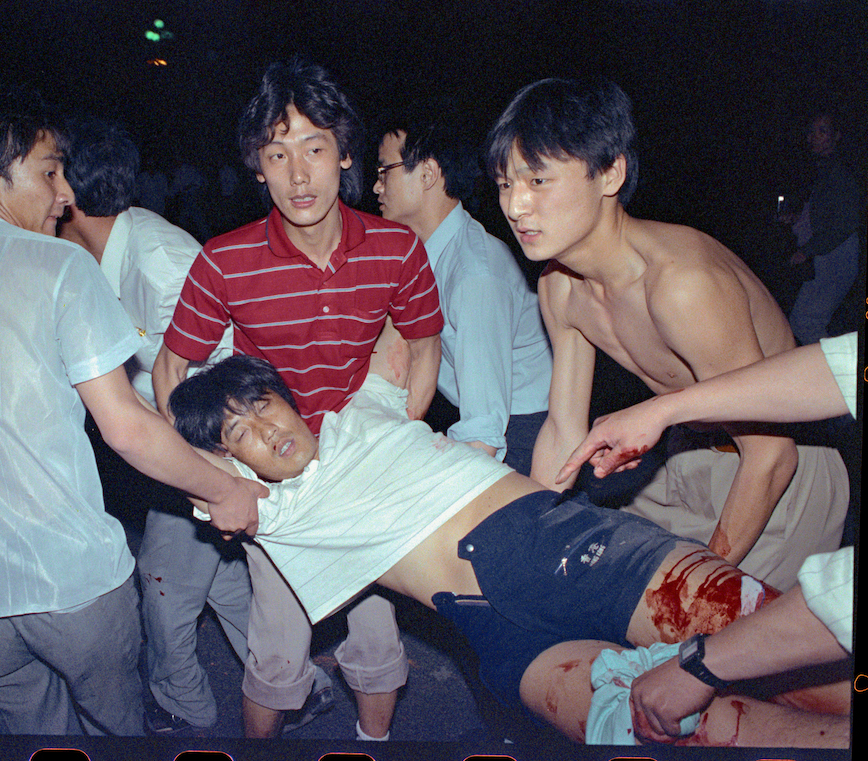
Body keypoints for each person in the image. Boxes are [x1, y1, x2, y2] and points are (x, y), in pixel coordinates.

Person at [0, 83, 264, 736]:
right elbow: (124, 427)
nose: (65, 193)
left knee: (36, 741)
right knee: (115, 729)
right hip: (65, 579)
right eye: (47, 171)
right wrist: (226, 487)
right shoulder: (58, 266)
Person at [167, 355, 849, 747]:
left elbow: (405, 302)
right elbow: (151, 444)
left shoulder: (364, 409)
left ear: (288, 397)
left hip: (581, 551)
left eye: (262, 404)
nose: (263, 428)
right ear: (228, 460)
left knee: (807, 662)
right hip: (503, 639)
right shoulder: (265, 509)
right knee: (710, 734)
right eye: (239, 433)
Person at [153, 58, 444, 740]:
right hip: (272, 474)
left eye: (315, 148)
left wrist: (392, 442)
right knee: (278, 650)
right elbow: (172, 370)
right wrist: (221, 475)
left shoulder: (397, 248)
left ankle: (373, 744)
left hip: (357, 469)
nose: (298, 173)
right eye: (277, 154)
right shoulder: (223, 259)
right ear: (257, 167)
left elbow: (425, 349)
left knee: (377, 638)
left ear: (345, 154)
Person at [485, 77, 848, 591]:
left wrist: (701, 582)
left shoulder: (680, 285)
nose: (516, 206)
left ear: (610, 173)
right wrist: (530, 534)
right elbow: (564, 429)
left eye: (537, 180)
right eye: (505, 183)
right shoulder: (560, 288)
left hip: (785, 478)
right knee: (585, 585)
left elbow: (772, 454)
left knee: (692, 640)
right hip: (687, 460)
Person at [557, 332, 856, 744]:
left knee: (792, 688)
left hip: (769, 472)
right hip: (692, 452)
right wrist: (663, 410)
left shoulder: (687, 288)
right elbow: (841, 366)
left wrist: (700, 663)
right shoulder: (562, 291)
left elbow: (840, 600)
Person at [58, 115, 249, 736]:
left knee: (162, 579)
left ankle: (182, 703)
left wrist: (206, 478)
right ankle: (293, 681)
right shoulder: (95, 260)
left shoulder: (161, 258)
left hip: (205, 446)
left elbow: (219, 383)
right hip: (172, 443)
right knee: (220, 584)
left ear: (69, 190)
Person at [374, 101, 552, 473]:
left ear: (426, 174)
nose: (377, 186)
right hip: (492, 420)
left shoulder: (474, 273)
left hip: (526, 433)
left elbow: (484, 433)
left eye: (384, 170)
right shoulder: (422, 258)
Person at [787, 110, 863, 345]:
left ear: (836, 136)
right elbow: (823, 215)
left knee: (805, 321)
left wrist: (806, 250)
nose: (814, 137)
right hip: (825, 254)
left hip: (836, 254)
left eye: (823, 131)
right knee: (805, 321)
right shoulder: (822, 171)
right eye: (812, 131)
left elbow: (846, 222)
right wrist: (797, 218)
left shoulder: (841, 173)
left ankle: (844, 377)